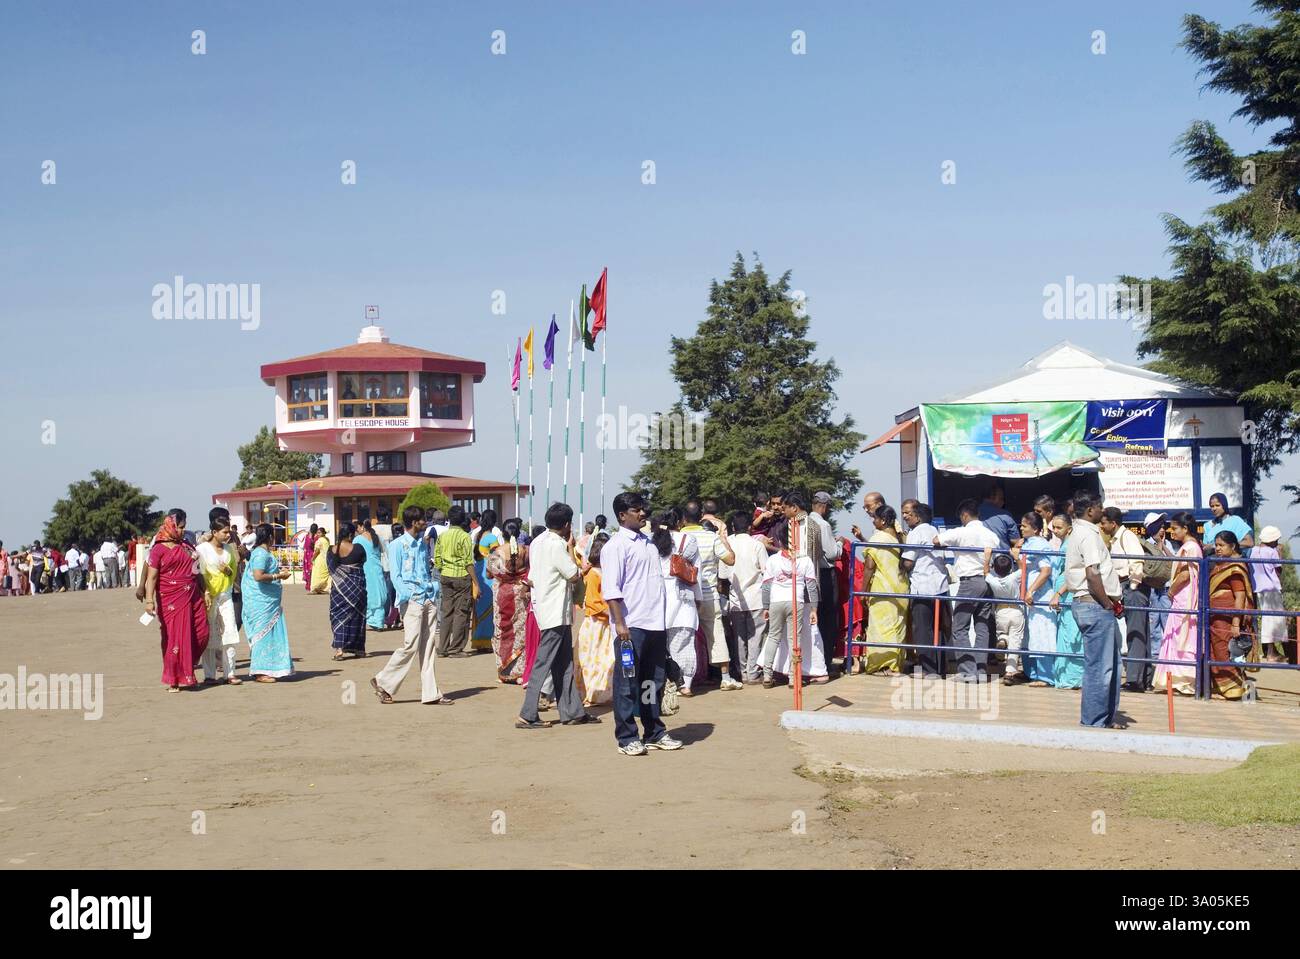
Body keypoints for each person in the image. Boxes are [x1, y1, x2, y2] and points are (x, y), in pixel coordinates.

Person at [602, 492, 680, 756]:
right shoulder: (615, 546)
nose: (643, 513)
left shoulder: (648, 544)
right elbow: (611, 589)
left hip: (655, 624)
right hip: (631, 626)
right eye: (636, 510)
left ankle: (653, 731)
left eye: (643, 508)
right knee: (627, 683)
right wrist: (620, 624)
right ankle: (626, 737)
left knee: (652, 682)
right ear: (622, 515)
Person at [516, 503, 595, 728]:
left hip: (547, 608)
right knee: (544, 663)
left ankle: (572, 712)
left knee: (564, 664)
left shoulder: (538, 541)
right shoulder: (557, 544)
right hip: (555, 611)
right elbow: (573, 574)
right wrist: (571, 549)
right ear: (567, 524)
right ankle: (527, 713)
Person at [1065, 491, 1123, 727]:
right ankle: (1094, 721)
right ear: (1090, 510)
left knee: (1109, 665)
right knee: (1100, 668)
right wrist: (1107, 603)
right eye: (1100, 507)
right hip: (1095, 604)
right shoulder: (1088, 535)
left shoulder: (1081, 532)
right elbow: (1092, 573)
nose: (1103, 510)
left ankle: (1104, 717)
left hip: (1091, 604)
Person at [143, 510, 210, 692]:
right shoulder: (158, 549)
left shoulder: (187, 546)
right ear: (170, 526)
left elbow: (197, 570)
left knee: (202, 632)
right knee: (175, 639)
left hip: (193, 595)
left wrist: (205, 591)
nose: (182, 531)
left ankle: (188, 665)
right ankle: (174, 678)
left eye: (183, 527)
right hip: (170, 599)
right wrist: (149, 601)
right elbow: (152, 577)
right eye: (179, 527)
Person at [934, 499, 998, 682]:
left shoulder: (961, 532)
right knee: (982, 626)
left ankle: (967, 672)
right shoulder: (991, 534)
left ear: (964, 515)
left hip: (969, 582)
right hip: (987, 581)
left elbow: (936, 540)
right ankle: (981, 671)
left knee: (960, 627)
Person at [681, 499, 738, 690]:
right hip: (708, 594)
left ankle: (684, 682)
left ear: (683, 518)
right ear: (700, 516)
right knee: (716, 634)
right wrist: (722, 538)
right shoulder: (710, 537)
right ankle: (725, 677)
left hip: (684, 595)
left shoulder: (677, 538)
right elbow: (730, 559)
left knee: (683, 637)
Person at [759, 532, 820, 688]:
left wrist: (765, 606)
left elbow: (766, 586)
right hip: (796, 601)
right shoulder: (805, 560)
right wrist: (814, 608)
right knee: (794, 639)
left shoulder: (773, 560)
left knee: (773, 637)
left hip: (776, 601)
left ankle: (767, 676)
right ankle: (793, 678)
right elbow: (812, 586)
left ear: (780, 541)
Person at [1099, 507, 1149, 694]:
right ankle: (1144, 677)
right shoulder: (1116, 539)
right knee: (1139, 632)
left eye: (1104, 523)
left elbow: (1137, 561)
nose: (1102, 527)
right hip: (1126, 587)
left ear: (1113, 523)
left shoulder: (1127, 537)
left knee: (1135, 633)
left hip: (1132, 587)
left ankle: (1134, 680)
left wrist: (1132, 587)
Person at [1153, 512, 1203, 696]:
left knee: (1183, 635)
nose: (1171, 532)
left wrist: (1172, 590)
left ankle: (1183, 681)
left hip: (1184, 597)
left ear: (1185, 529)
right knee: (1178, 635)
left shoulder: (1190, 547)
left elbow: (1186, 574)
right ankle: (1174, 679)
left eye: (1174, 528)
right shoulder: (1189, 546)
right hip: (1181, 597)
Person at [656, 508, 703, 699]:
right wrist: (699, 598)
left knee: (660, 643)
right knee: (684, 642)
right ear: (679, 522)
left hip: (658, 597)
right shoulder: (688, 540)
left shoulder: (651, 540)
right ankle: (685, 684)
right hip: (683, 596)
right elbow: (696, 571)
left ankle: (666, 681)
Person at [719, 511, 770, 684]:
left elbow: (723, 575)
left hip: (735, 599)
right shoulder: (757, 545)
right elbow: (766, 572)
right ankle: (753, 672)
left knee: (739, 638)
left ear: (733, 527)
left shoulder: (727, 544)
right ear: (749, 527)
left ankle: (743, 672)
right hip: (756, 598)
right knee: (755, 637)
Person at [241, 523, 294, 682]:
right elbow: (258, 576)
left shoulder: (261, 552)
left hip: (268, 601)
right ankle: (260, 671)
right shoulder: (261, 554)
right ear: (270, 537)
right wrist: (279, 576)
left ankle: (270, 668)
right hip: (261, 602)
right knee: (262, 634)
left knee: (269, 634)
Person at [901, 501, 949, 677]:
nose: (906, 517)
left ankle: (928, 670)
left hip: (922, 587)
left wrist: (900, 567)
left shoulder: (916, 533)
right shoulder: (935, 531)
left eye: (909, 514)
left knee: (922, 629)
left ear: (918, 517)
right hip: (941, 586)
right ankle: (940, 668)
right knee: (940, 629)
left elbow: (908, 562)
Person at [1207, 531, 1257, 699]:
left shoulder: (1234, 568)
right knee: (1216, 651)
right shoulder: (1220, 564)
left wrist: (1236, 622)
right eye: (1216, 545)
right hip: (1216, 616)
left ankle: (1235, 690)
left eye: (1221, 545)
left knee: (1226, 651)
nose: (1217, 548)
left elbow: (1240, 596)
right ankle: (1224, 688)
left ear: (1233, 546)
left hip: (1227, 618)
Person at [860, 505, 908, 674]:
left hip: (883, 589)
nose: (873, 521)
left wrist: (863, 591)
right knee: (897, 626)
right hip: (901, 589)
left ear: (883, 521)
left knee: (882, 627)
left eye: (875, 518)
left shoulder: (878, 538)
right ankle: (896, 664)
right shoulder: (900, 538)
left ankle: (882, 664)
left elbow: (869, 566)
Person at [197, 518, 243, 685]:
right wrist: (205, 592)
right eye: (224, 532)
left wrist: (227, 570)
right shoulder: (202, 549)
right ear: (214, 532)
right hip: (209, 597)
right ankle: (209, 675)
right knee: (209, 634)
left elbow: (233, 572)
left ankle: (230, 673)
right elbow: (197, 572)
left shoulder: (229, 550)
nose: (227, 535)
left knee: (230, 632)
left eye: (228, 531)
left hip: (226, 595)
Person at [486, 517, 531, 683]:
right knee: (520, 631)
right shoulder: (525, 551)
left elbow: (489, 574)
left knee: (502, 629)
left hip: (502, 594)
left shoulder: (496, 553)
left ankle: (504, 671)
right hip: (520, 593)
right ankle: (519, 671)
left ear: (503, 534)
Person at [1017, 512, 1056, 686]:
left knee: (1042, 633)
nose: (1021, 528)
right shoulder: (1027, 543)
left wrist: (1031, 590)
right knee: (1029, 634)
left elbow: (1045, 571)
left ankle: (1045, 676)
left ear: (1035, 529)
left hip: (1039, 594)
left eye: (1025, 526)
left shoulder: (1040, 545)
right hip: (1028, 595)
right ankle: (1031, 672)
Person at [575, 533, 615, 706]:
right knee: (593, 661)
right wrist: (612, 613)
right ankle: (592, 694)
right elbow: (593, 602)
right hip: (596, 625)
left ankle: (599, 693)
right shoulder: (593, 574)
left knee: (605, 661)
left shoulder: (605, 572)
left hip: (605, 624)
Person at [434, 505, 478, 657]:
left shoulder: (442, 536)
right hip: (461, 577)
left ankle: (443, 648)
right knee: (461, 613)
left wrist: (443, 570)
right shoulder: (465, 537)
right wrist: (476, 582)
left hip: (445, 576)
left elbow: (437, 558)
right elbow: (468, 562)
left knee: (446, 612)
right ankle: (455, 648)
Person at [1047, 513, 1083, 689]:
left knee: (1071, 634)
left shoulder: (1070, 546)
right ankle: (1066, 676)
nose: (1055, 530)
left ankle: (1074, 677)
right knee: (1065, 632)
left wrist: (1058, 593)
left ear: (1069, 529)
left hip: (1068, 593)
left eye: (1059, 527)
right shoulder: (1064, 543)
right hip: (1063, 594)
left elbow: (1073, 574)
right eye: (1053, 527)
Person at [809, 492, 841, 670]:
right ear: (825, 506)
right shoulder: (823, 525)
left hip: (809, 574)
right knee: (828, 619)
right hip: (825, 574)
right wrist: (839, 544)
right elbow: (832, 553)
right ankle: (826, 660)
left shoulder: (805, 522)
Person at [327, 522, 368, 660]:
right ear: (351, 535)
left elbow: (331, 569)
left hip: (338, 591)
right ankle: (358, 650)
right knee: (358, 617)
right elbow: (363, 562)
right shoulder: (358, 548)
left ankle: (339, 650)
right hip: (357, 589)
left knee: (338, 616)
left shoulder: (331, 550)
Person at [1251, 526, 1288, 663]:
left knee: (1267, 619)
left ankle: (1269, 651)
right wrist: (1280, 554)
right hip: (1272, 588)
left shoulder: (1254, 551)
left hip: (1259, 588)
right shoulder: (1272, 552)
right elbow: (1278, 571)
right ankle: (1271, 653)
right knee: (1273, 621)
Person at [470, 508, 501, 653]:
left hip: (478, 572)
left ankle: (479, 640)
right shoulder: (492, 538)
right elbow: (497, 557)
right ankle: (487, 641)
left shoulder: (478, 535)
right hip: (488, 574)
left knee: (480, 608)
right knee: (490, 609)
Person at [355, 524, 389, 631]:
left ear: (363, 527)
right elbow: (385, 551)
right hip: (377, 568)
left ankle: (372, 619)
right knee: (379, 593)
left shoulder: (358, 539)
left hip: (365, 569)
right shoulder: (378, 538)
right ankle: (378, 622)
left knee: (368, 594)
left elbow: (354, 554)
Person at [978, 483, 1019, 551]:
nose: (1003, 502)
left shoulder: (972, 512)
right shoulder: (1006, 515)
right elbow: (1015, 541)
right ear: (993, 497)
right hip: (1001, 555)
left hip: (977, 554)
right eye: (1001, 498)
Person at [309, 528, 332, 594]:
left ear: (323, 533)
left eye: (319, 533)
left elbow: (317, 551)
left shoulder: (319, 540)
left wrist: (313, 558)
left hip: (320, 559)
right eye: (317, 533)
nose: (318, 534)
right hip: (326, 559)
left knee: (317, 574)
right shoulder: (327, 539)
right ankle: (324, 588)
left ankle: (315, 588)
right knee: (325, 574)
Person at [302, 523, 318, 592]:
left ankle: (308, 585)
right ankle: (313, 585)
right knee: (313, 570)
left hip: (307, 555)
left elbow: (304, 547)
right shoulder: (317, 538)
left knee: (308, 570)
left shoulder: (307, 536)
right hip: (313, 555)